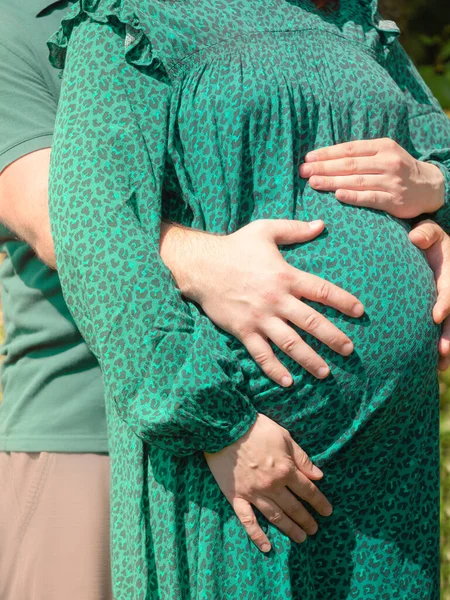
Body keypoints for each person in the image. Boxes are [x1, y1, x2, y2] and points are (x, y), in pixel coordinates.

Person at [0, 1, 409, 598]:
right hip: (88, 430)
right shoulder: (23, 22)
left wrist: (428, 225)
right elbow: (61, 223)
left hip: (286, 437)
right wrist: (214, 266)